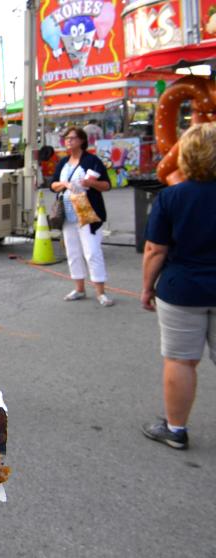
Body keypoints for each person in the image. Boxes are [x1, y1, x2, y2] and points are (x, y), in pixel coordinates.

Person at [139, 123, 216, 450]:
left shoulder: (171, 197)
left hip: (182, 289)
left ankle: (175, 429)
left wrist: (146, 288)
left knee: (181, 360)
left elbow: (155, 250)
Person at [49, 126, 114, 306]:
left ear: (82, 141)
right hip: (68, 213)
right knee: (73, 252)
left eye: (72, 138)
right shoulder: (63, 163)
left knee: (92, 251)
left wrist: (91, 183)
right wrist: (63, 184)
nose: (68, 141)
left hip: (87, 211)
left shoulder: (92, 161)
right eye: (66, 138)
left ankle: (101, 292)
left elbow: (107, 185)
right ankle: (79, 288)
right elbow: (52, 184)